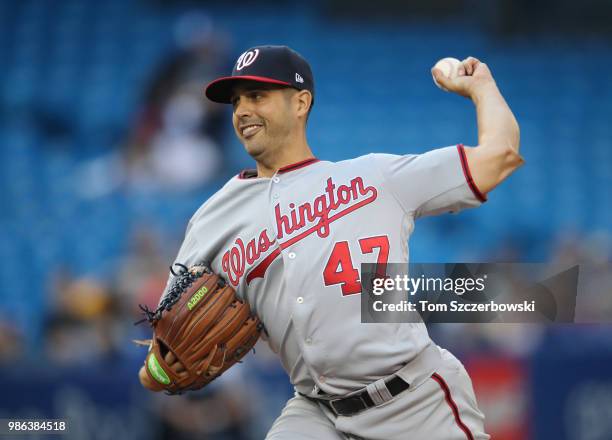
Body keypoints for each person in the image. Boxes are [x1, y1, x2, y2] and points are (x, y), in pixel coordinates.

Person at [139, 45, 522, 439]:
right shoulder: (212, 219)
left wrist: (483, 89)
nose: (242, 111)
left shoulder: (375, 178)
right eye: (236, 101)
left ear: (301, 102)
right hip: (316, 413)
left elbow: (500, 156)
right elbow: (162, 347)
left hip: (415, 401)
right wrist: (159, 369)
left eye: (257, 96)